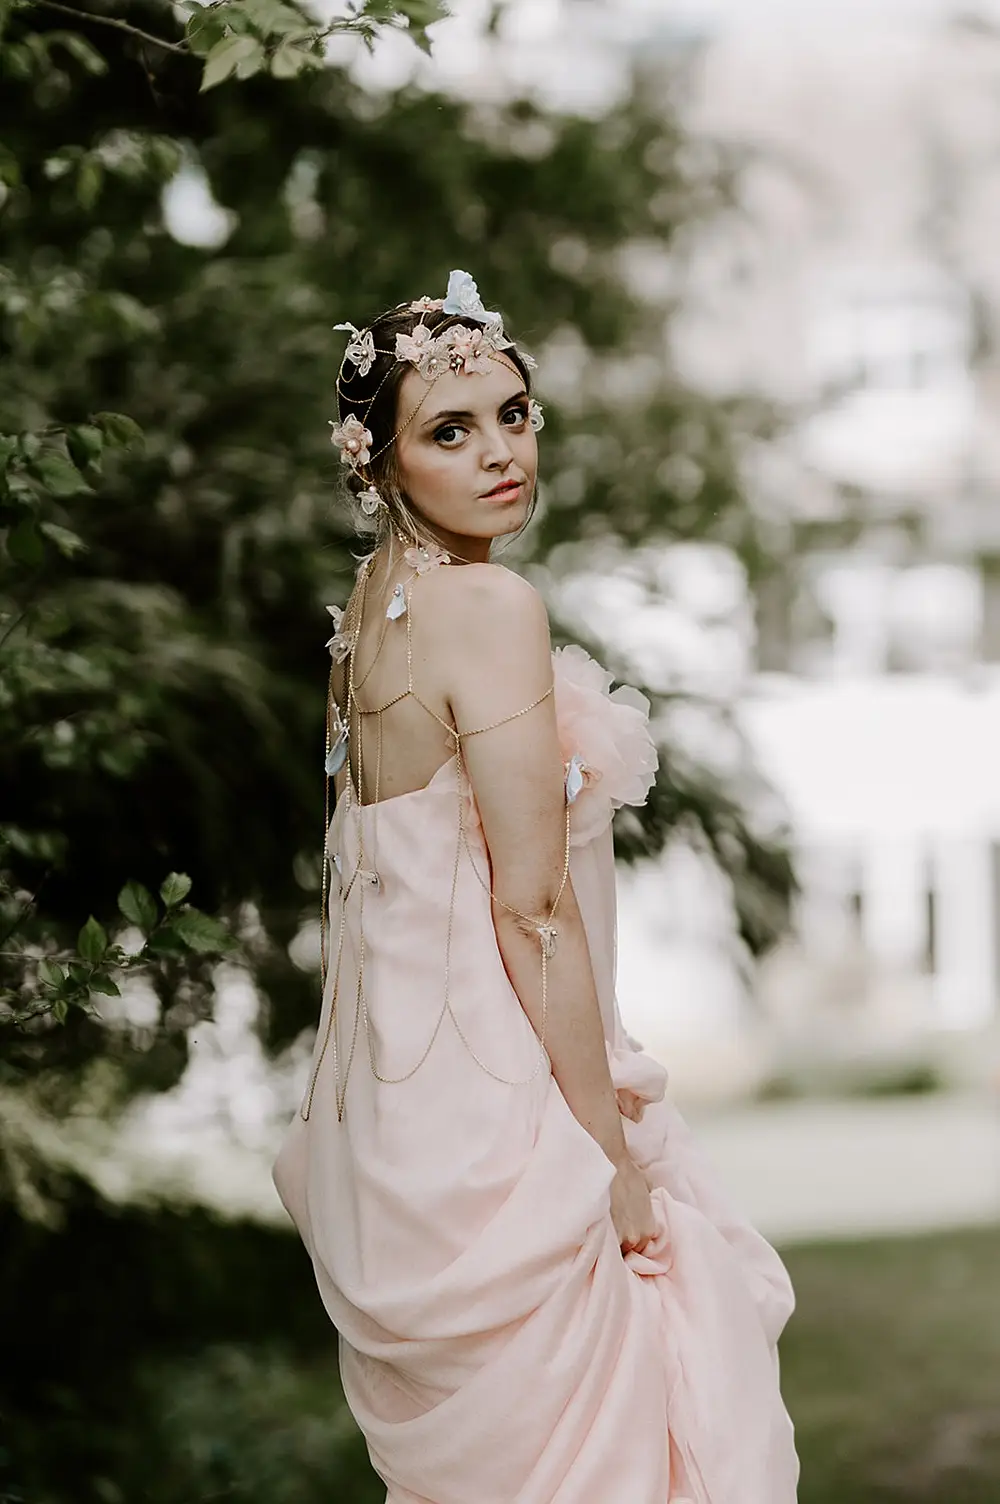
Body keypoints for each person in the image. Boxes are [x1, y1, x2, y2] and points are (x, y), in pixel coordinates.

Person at [272, 270, 800, 1503]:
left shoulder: (370, 615)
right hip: (503, 1107)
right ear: (379, 462)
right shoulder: (489, 604)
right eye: (449, 432)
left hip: (401, 1114)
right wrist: (608, 1153)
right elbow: (529, 905)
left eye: (512, 416)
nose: (500, 453)